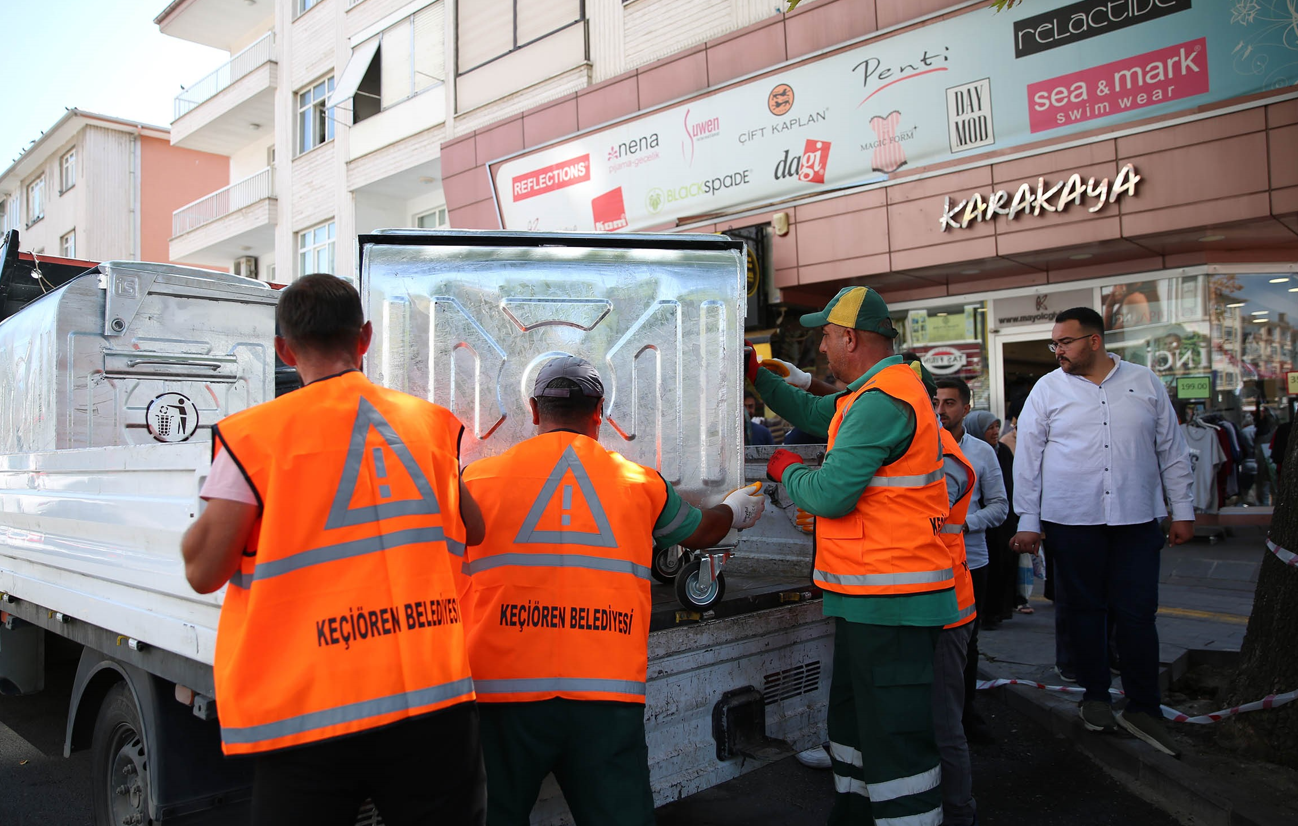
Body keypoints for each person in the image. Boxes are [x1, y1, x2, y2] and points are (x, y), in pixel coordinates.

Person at [181, 274, 487, 825]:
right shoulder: (430, 426)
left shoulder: (255, 437)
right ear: (364, 337)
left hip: (309, 711)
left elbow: (204, 570)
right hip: (432, 697)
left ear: (283, 347)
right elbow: (476, 526)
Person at [459, 356, 766, 826]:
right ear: (600, 410)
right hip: (603, 695)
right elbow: (701, 532)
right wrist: (735, 510)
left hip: (503, 694)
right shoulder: (639, 483)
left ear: (534, 411)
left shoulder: (476, 480)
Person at [750, 286, 954, 826]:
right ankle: (857, 813)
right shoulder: (876, 393)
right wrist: (757, 377)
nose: (821, 347)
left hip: (894, 598)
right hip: (875, 597)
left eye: (825, 336)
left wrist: (784, 468)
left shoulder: (882, 400)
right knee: (859, 726)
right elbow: (817, 410)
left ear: (850, 338)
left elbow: (828, 496)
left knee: (894, 738)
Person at [1011, 307, 1194, 757]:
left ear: (1094, 341)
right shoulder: (1047, 389)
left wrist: (1183, 509)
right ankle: (1095, 697)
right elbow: (1028, 460)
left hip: (1136, 519)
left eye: (1065, 342)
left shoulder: (1145, 381)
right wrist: (1028, 521)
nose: (1058, 351)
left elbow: (1171, 448)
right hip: (1071, 521)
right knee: (1084, 612)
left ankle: (1143, 705)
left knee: (1137, 614)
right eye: (1053, 343)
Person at [933, 379, 1007, 746]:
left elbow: (999, 507)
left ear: (966, 407)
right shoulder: (920, 445)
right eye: (937, 402)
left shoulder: (981, 452)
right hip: (925, 563)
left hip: (971, 561)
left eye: (950, 403)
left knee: (967, 643)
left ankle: (966, 713)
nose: (942, 410)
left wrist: (962, 526)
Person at [967, 410, 1025, 620]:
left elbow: (1005, 491)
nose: (994, 432)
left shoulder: (1001, 452)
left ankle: (1003, 608)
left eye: (995, 427)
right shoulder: (968, 453)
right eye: (988, 427)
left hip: (1002, 521)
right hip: (979, 526)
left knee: (1004, 566)